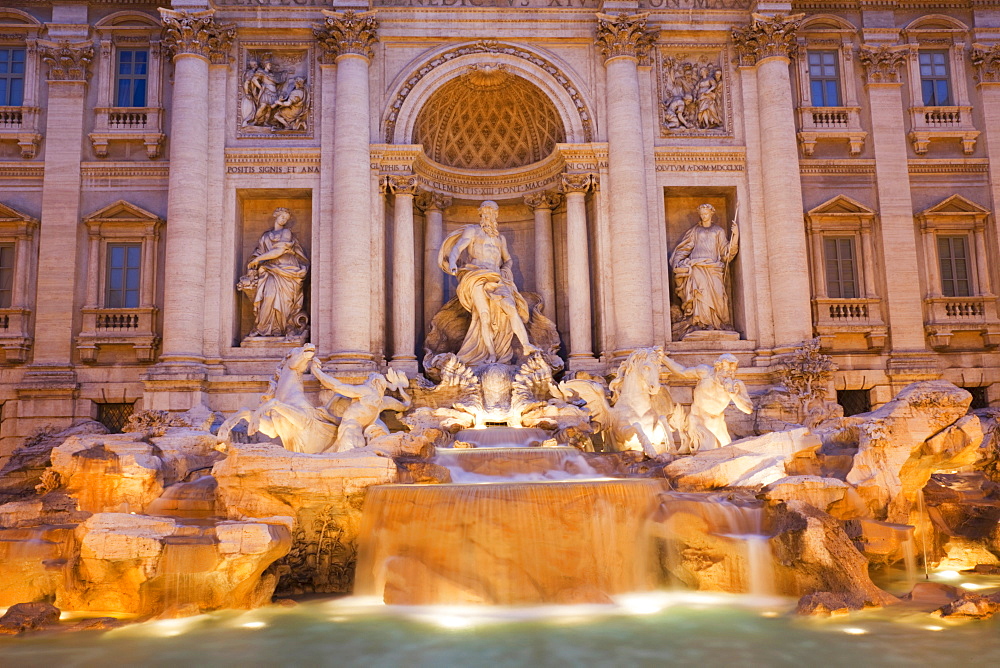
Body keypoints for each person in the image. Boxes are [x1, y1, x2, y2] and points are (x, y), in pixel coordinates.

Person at [437, 200, 539, 365]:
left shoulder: (500, 238)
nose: (488, 215)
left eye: (492, 212)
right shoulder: (473, 231)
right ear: (480, 214)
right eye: (485, 212)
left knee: (511, 308)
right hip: (476, 275)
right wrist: (453, 262)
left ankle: (526, 345)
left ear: (496, 215)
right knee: (483, 316)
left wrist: (506, 269)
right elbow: (458, 247)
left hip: (497, 277)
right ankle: (491, 354)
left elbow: (508, 259)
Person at [661, 353, 752, 453]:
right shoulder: (704, 372)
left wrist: (734, 395)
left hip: (717, 423)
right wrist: (663, 358)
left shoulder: (736, 385)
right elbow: (682, 372)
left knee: (728, 451)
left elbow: (748, 410)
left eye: (732, 371)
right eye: (726, 371)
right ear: (717, 368)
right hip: (698, 420)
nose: (729, 375)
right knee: (708, 448)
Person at [240, 207, 309, 338]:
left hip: (287, 270)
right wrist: (255, 263)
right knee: (269, 296)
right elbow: (258, 253)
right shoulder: (265, 236)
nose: (284, 220)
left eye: (286, 219)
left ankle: (280, 329)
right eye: (282, 217)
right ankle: (263, 328)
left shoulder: (286, 232)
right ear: (276, 216)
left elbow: (278, 251)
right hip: (270, 270)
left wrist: (260, 259)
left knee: (284, 301)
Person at [669, 203, 739, 334]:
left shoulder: (718, 231)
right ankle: (702, 323)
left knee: (718, 295)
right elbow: (684, 248)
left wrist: (735, 236)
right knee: (701, 294)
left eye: (706, 213)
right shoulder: (695, 231)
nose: (703, 216)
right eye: (701, 214)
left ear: (711, 214)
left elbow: (726, 253)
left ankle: (717, 323)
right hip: (697, 267)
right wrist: (678, 262)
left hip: (714, 268)